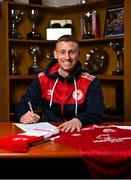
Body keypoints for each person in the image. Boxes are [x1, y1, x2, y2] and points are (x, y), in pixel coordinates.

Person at [14, 35, 105, 132]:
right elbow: (24, 103)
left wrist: (79, 120)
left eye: (72, 52)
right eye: (62, 52)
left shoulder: (91, 81)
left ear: (78, 54)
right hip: (50, 133)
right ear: (55, 54)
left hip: (79, 130)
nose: (67, 57)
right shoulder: (42, 78)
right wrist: (23, 114)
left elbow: (97, 112)